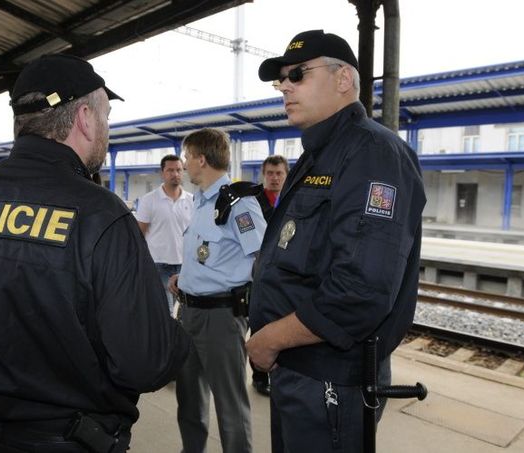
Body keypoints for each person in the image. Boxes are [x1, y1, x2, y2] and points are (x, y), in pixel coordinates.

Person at [0, 54, 191, 453]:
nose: (107, 129)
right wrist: (178, 340)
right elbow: (144, 362)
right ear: (83, 118)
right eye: (106, 116)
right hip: (74, 439)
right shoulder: (102, 216)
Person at [247, 30, 426, 453]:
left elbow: (360, 290)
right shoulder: (317, 156)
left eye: (298, 75)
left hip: (330, 379)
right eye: (282, 80)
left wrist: (270, 339)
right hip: (301, 373)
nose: (285, 87)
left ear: (344, 79)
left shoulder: (373, 154)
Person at [168, 128, 266, 453]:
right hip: (189, 312)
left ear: (201, 159)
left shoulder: (239, 204)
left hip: (222, 318)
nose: (183, 166)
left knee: (230, 404)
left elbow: (263, 261)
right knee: (189, 398)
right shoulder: (199, 203)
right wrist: (184, 278)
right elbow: (207, 256)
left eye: (186, 158)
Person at [250, 154, 290, 397]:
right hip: (258, 274)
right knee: (258, 323)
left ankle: (280, 372)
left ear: (286, 175)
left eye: (279, 174)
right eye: (270, 174)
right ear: (264, 175)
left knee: (281, 325)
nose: (274, 178)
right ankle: (259, 375)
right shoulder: (252, 201)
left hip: (285, 274)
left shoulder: (293, 198)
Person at [136, 154, 193, 314]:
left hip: (186, 266)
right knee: (165, 312)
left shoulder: (192, 200)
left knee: (186, 312)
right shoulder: (149, 200)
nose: (175, 174)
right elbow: (139, 234)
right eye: (170, 170)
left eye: (179, 170)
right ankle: (164, 339)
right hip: (158, 266)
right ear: (162, 173)